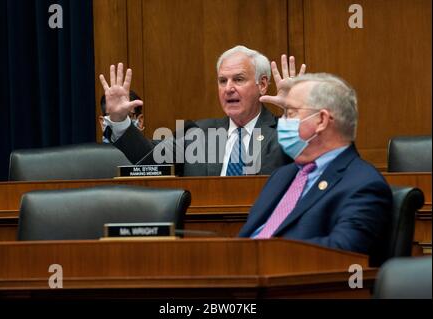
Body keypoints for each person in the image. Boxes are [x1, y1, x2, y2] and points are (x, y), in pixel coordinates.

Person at [238, 65, 392, 265]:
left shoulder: (364, 185)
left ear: (321, 120)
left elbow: (344, 252)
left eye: (290, 113)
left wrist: (264, 255)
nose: (282, 122)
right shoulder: (282, 176)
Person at [98, 45, 305, 176]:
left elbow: (310, 159)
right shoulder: (198, 133)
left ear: (262, 84)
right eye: (222, 81)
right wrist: (119, 120)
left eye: (238, 79)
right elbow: (151, 159)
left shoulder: (283, 131)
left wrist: (296, 113)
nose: (228, 88)